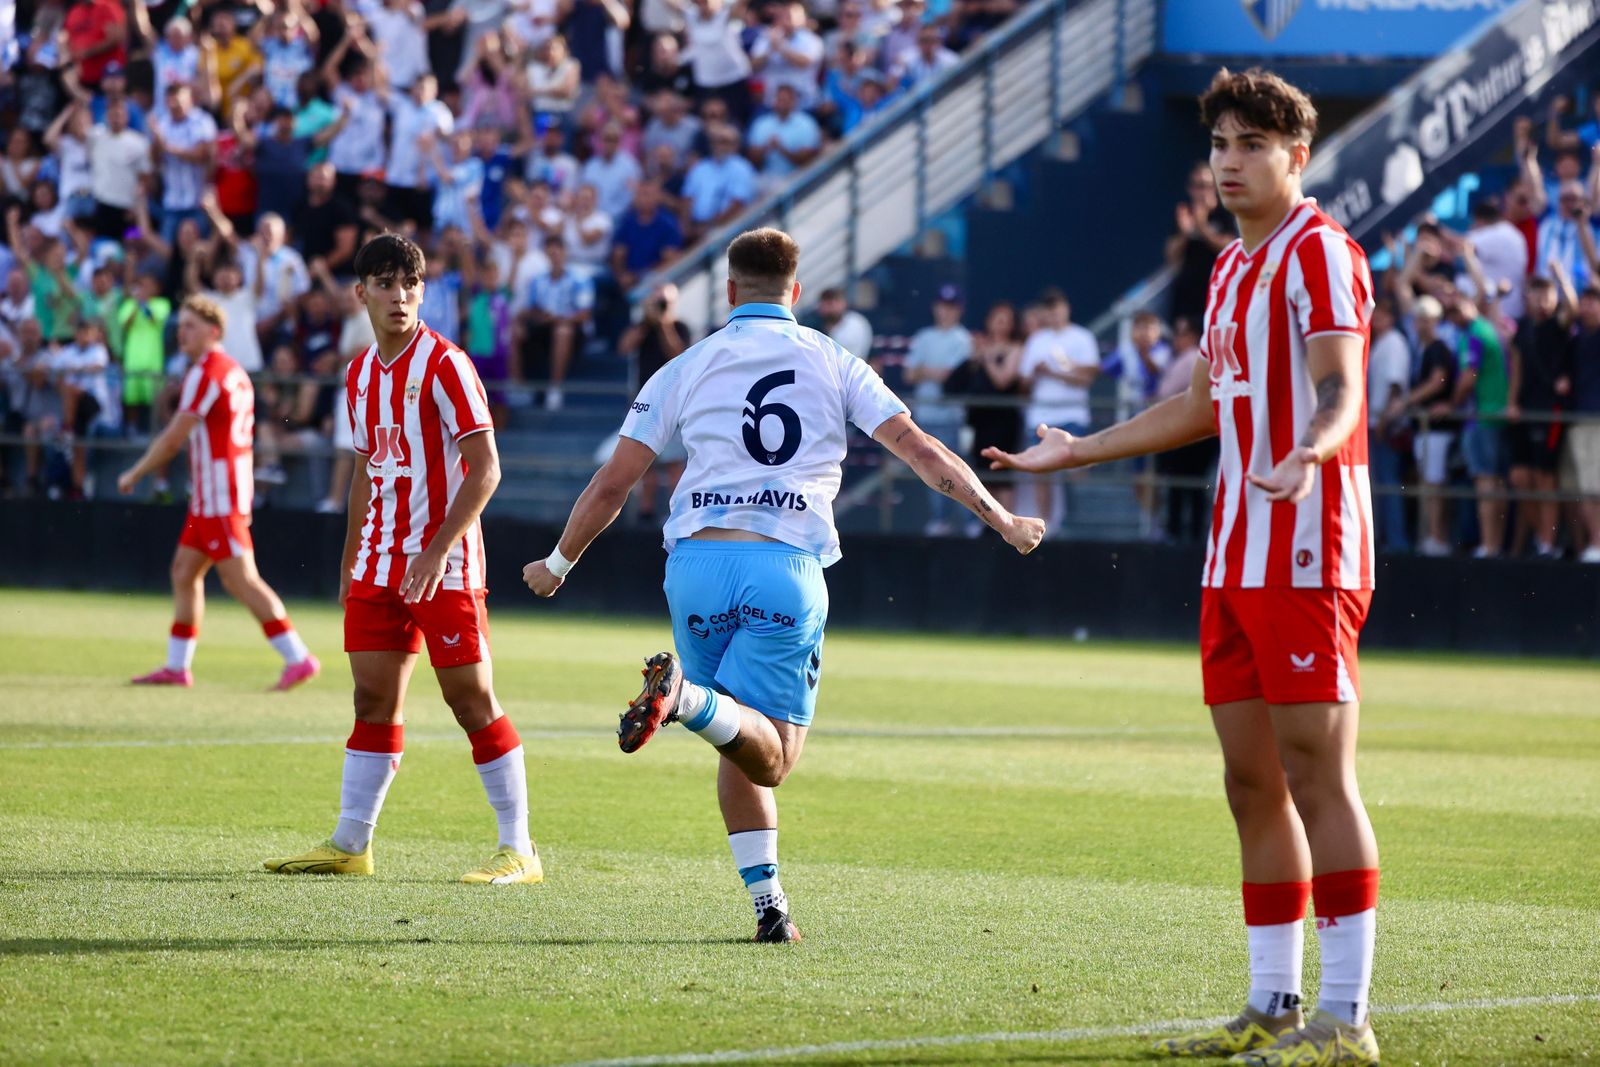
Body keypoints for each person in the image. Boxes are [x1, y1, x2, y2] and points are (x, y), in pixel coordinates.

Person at [988, 68, 1382, 1066]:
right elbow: (1202, 408)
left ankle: (1345, 1018)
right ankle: (1272, 1002)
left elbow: (1342, 386)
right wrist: (1076, 448)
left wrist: (1313, 449)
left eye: (1251, 144)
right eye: (1218, 145)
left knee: (1313, 772)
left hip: (1308, 542)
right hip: (1233, 553)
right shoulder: (1228, 270)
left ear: (1296, 156)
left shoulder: (1320, 254)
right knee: (1249, 780)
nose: (1228, 162)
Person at [522, 227, 1043, 942]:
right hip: (783, 566)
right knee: (774, 755)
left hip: (696, 570)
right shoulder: (835, 360)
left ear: (730, 292)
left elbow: (615, 482)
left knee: (737, 734)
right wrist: (1003, 516)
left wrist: (558, 562)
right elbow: (924, 453)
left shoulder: (687, 364)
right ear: (795, 293)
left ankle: (770, 909)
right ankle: (686, 698)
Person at [263, 232, 542, 885]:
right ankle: (351, 842)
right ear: (360, 292)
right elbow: (366, 469)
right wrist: (349, 558)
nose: (400, 295)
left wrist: (438, 547)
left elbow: (486, 469)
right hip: (378, 564)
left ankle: (520, 847)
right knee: (370, 697)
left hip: (444, 565)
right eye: (385, 283)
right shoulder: (359, 373)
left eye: (410, 283)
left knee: (470, 698)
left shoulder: (446, 364)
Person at [116, 295, 320, 691]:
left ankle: (298, 657)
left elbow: (176, 436)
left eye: (190, 326)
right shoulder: (235, 372)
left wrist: (136, 471)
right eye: (181, 326)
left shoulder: (205, 372)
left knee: (242, 580)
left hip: (219, 496)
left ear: (214, 331)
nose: (182, 333)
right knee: (184, 571)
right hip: (216, 494)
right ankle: (178, 667)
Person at [1404, 295, 1456, 557]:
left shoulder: (1437, 348)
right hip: (1426, 429)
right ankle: (1432, 535)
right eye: (1418, 318)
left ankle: (1437, 537)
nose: (1420, 323)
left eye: (1426, 318)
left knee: (1434, 483)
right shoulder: (1423, 349)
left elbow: (1438, 381)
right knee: (1428, 482)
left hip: (1436, 429)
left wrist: (1405, 402)